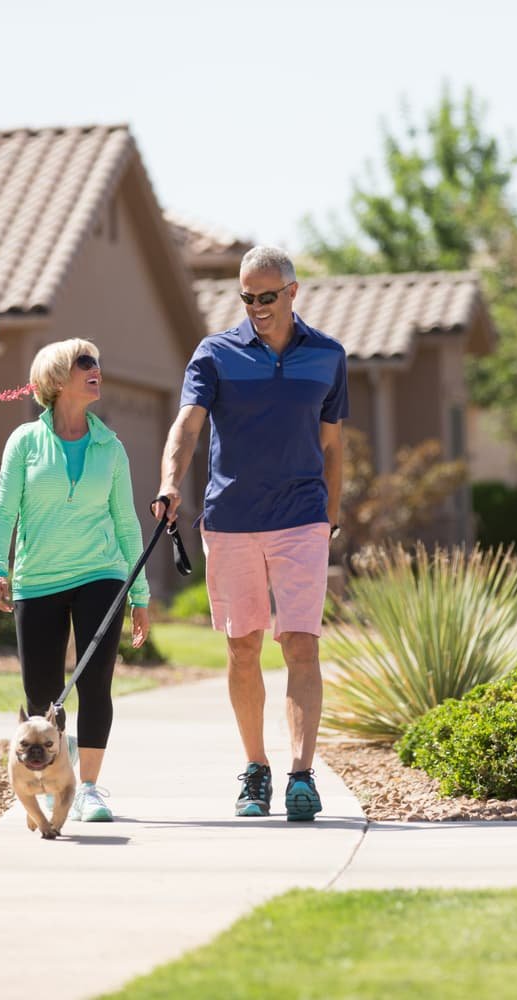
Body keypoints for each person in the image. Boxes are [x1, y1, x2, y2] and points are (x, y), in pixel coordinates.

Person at [154, 246, 347, 822]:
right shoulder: (214, 354)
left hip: (302, 519)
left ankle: (302, 775)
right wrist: (170, 484)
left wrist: (329, 517)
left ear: (292, 292)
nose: (257, 307)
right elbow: (187, 428)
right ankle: (256, 769)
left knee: (301, 643)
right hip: (232, 518)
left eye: (266, 296)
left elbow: (333, 446)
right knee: (243, 647)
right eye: (247, 298)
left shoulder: (329, 356)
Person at [0, 339, 151, 823]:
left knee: (95, 683)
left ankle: (90, 789)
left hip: (101, 572)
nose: (96, 369)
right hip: (37, 579)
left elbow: (126, 523)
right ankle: (52, 770)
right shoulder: (24, 442)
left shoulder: (111, 447)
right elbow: (2, 510)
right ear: (56, 379)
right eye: (85, 363)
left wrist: (138, 593)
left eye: (98, 361)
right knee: (41, 694)